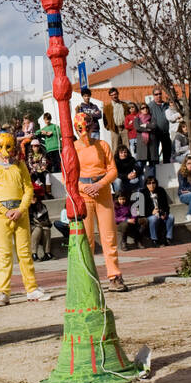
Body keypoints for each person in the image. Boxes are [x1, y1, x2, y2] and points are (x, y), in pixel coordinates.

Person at [0, 132, 51, 306]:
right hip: (1, 216)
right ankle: (3, 292)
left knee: (25, 253)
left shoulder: (21, 166)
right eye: (1, 146)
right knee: (4, 254)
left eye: (8, 146)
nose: (5, 150)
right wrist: (4, 211)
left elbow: (28, 189)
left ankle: (31, 289)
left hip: (20, 213)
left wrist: (20, 209)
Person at [74, 111, 127, 292]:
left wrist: (101, 184)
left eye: (88, 127)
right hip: (84, 195)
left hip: (103, 194)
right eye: (82, 128)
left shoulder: (103, 145)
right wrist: (83, 187)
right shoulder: (72, 148)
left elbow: (112, 170)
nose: (85, 131)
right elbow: (69, 175)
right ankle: (88, 279)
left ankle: (114, 275)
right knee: (87, 239)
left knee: (109, 236)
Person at [139, 176, 175, 246]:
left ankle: (168, 238)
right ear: (146, 185)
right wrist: (151, 212)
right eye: (149, 183)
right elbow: (141, 211)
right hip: (149, 216)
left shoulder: (161, 190)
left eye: (153, 183)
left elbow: (166, 206)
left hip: (161, 214)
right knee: (154, 218)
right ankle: (154, 239)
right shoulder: (142, 193)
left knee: (171, 217)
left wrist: (165, 213)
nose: (151, 185)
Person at [145, 87, 174, 164]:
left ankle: (167, 168)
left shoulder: (166, 105)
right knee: (154, 155)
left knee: (167, 152)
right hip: (154, 133)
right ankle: (155, 171)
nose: (158, 96)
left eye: (160, 94)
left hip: (165, 132)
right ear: (153, 95)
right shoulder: (149, 106)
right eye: (156, 94)